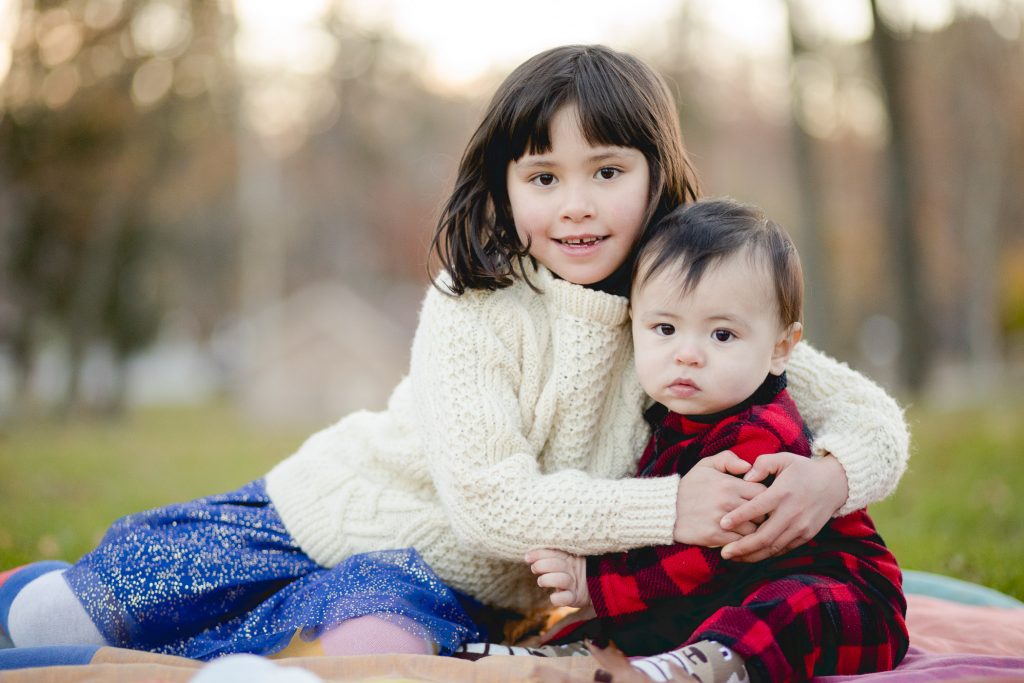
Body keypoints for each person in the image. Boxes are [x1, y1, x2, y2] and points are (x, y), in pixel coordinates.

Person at [0, 45, 908, 661]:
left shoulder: (683, 304)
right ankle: (50, 593)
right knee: (77, 611)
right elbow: (488, 501)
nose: (577, 205)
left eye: (607, 171)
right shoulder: (473, 302)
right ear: (506, 187)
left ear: (658, 174)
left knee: (369, 646)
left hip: (444, 585)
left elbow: (865, 412)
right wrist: (677, 506)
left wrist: (830, 477)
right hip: (333, 506)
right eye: (544, 178)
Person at [527, 198, 909, 682]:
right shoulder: (666, 421)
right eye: (664, 328)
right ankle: (572, 656)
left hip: (844, 595)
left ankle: (713, 665)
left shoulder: (761, 433)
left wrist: (594, 582)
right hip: (725, 590)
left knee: (787, 606)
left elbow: (701, 557)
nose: (687, 354)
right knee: (641, 618)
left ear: (779, 350)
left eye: (722, 335)